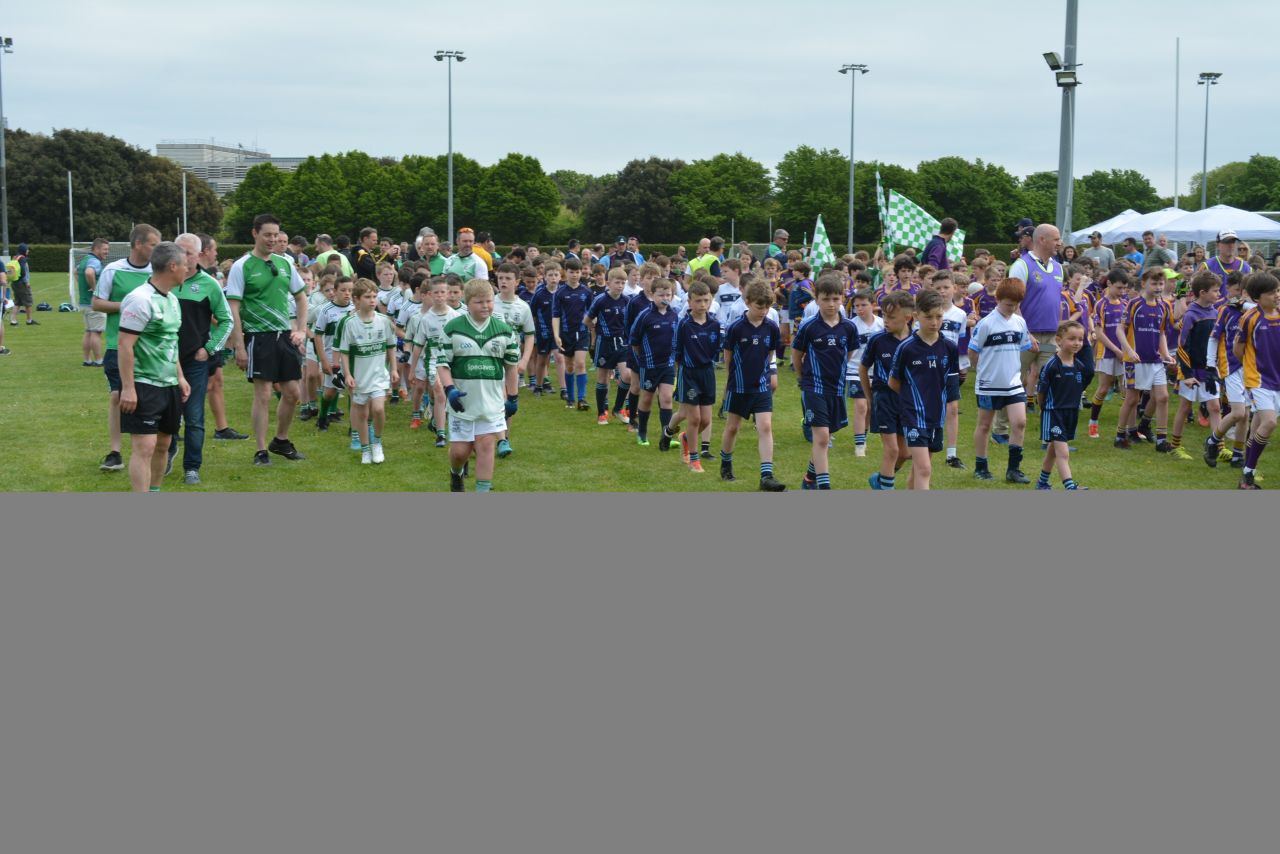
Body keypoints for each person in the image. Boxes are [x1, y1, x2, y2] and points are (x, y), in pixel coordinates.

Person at [225, 213, 310, 466]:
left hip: (283, 335)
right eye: (267, 235)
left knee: (294, 393)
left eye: (276, 235)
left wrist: (302, 329)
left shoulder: (284, 264)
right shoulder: (242, 266)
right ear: (255, 234)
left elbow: (301, 297)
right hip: (257, 337)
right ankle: (261, 450)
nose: (272, 239)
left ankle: (280, 440)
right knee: (262, 394)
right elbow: (233, 307)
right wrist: (239, 345)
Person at [116, 242, 191, 493]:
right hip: (143, 383)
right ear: (172, 266)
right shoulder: (139, 299)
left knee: (163, 444)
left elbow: (170, 342)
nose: (187, 270)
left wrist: (179, 376)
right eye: (185, 265)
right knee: (144, 447)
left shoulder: (172, 300)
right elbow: (125, 345)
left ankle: (155, 491)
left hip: (169, 385)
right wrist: (128, 388)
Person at [436, 279, 521, 493]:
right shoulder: (453, 328)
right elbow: (443, 364)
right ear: (467, 302)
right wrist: (450, 390)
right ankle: (455, 474)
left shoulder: (504, 331)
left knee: (485, 446)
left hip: (491, 404)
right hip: (462, 404)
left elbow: (511, 368)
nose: (485, 306)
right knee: (459, 453)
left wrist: (512, 397)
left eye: (489, 301)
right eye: (479, 302)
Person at [92, 223, 161, 472]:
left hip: (152, 346)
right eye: (153, 244)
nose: (156, 249)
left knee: (151, 395)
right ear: (138, 244)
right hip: (117, 343)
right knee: (117, 396)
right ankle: (115, 452)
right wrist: (129, 306)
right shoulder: (113, 270)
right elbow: (97, 303)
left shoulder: (157, 271)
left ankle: (153, 446)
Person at [172, 234, 233, 486]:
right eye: (179, 251)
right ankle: (165, 453)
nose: (184, 257)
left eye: (188, 252)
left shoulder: (209, 284)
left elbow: (227, 321)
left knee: (194, 416)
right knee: (167, 413)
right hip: (164, 361)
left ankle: (192, 467)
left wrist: (209, 349)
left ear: (198, 255)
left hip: (195, 362)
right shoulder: (162, 281)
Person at [791, 275, 859, 490]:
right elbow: (796, 354)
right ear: (817, 300)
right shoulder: (809, 326)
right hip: (813, 387)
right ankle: (824, 486)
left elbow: (849, 353)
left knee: (828, 434)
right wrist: (803, 378)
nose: (831, 304)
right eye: (826, 299)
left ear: (842, 299)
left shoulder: (848, 327)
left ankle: (809, 478)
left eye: (836, 299)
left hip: (837, 388)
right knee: (820, 438)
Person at [719, 281, 787, 491]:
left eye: (767, 307)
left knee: (765, 426)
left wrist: (765, 376)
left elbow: (769, 355)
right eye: (759, 306)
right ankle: (726, 463)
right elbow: (728, 358)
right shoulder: (736, 328)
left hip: (761, 386)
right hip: (739, 386)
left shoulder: (771, 327)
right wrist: (731, 382)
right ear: (747, 302)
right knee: (732, 427)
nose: (763, 311)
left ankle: (766, 475)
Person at [887, 289, 958, 490]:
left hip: (937, 416)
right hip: (913, 416)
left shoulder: (949, 347)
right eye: (928, 317)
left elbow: (950, 384)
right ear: (916, 317)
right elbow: (894, 382)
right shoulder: (906, 348)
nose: (934, 322)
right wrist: (912, 399)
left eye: (939, 316)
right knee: (924, 469)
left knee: (918, 471)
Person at [969, 278, 1034, 484]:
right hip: (989, 384)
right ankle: (981, 466)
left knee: (1020, 422)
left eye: (1016, 304)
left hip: (1013, 383)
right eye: (1008, 304)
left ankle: (1013, 470)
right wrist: (981, 371)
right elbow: (973, 352)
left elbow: (1023, 349)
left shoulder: (1020, 322)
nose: (1012, 308)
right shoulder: (986, 323)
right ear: (998, 299)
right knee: (985, 425)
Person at [1114, 268, 1175, 451]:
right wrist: (1129, 350)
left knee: (1163, 397)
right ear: (1144, 284)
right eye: (1154, 283)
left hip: (1155, 360)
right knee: (1132, 399)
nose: (1158, 287)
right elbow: (1119, 330)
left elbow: (1162, 333)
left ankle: (1161, 441)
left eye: (1161, 284)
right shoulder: (1134, 304)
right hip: (1135, 361)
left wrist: (1165, 354)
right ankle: (1119, 435)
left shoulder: (1164, 306)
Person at [662, 281, 720, 472]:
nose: (703, 304)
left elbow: (716, 349)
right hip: (689, 373)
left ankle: (685, 438)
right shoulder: (684, 324)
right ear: (690, 302)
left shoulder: (714, 324)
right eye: (698, 301)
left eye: (706, 300)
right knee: (693, 418)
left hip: (707, 373)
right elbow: (677, 351)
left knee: (705, 420)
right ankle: (694, 459)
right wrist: (683, 372)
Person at [339, 279, 397, 465]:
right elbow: (345, 352)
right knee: (362, 414)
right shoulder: (349, 323)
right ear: (356, 299)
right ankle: (365, 449)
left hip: (380, 375)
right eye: (367, 297)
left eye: (374, 296)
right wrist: (347, 374)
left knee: (378, 409)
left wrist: (394, 369)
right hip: (359, 378)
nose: (372, 300)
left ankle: (377, 442)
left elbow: (391, 347)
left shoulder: (384, 321)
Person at [1231, 272, 1280, 489]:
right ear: (1257, 298)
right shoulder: (1250, 318)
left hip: (1277, 379)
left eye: (1278, 290)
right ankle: (1248, 474)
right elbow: (1238, 350)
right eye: (1271, 293)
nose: (1277, 295)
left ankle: (1245, 474)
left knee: (1260, 425)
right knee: (1269, 422)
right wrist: (1253, 368)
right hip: (1258, 379)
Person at [1168, 272, 1223, 460]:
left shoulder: (1215, 312)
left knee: (1215, 407)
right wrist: (1187, 372)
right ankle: (1175, 446)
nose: (1219, 293)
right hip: (1190, 370)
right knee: (1185, 407)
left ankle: (1218, 447)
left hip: (1209, 370)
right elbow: (1182, 346)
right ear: (1202, 292)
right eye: (1215, 291)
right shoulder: (1191, 314)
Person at [1035, 320, 1090, 490]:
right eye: (1072, 338)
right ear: (1059, 340)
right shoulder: (1051, 365)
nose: (1077, 343)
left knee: (1053, 448)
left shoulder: (1079, 366)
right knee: (1062, 452)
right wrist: (1044, 408)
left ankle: (1042, 483)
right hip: (1054, 412)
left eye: (1080, 339)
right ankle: (1070, 486)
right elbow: (1041, 392)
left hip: (1071, 413)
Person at [410, 278, 463, 448]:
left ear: (447, 294)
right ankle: (441, 434)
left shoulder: (455, 316)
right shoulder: (426, 319)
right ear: (430, 295)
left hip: (452, 361)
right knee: (439, 391)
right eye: (436, 293)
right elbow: (418, 346)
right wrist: (412, 370)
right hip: (433, 361)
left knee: (448, 394)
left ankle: (436, 420)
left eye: (443, 292)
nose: (440, 296)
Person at [491, 263, 535, 457]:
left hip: (512, 361)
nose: (503, 282)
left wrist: (524, 360)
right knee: (497, 399)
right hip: (491, 359)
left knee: (510, 403)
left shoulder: (523, 307)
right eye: (500, 278)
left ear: (517, 282)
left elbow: (530, 336)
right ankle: (496, 439)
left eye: (508, 278)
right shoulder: (490, 303)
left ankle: (504, 438)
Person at [629, 279, 678, 447]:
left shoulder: (674, 314)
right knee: (647, 399)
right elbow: (634, 340)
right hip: (649, 366)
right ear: (652, 295)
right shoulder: (645, 315)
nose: (665, 298)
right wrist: (644, 357)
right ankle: (642, 432)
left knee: (666, 398)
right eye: (661, 294)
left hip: (668, 365)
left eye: (668, 294)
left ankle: (667, 435)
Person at [1086, 269, 1133, 437]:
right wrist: (1116, 350)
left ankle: (1127, 427)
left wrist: (1126, 350)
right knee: (1104, 388)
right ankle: (1093, 423)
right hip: (1107, 352)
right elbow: (1099, 333)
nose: (1122, 292)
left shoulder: (1126, 304)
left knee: (1127, 390)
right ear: (1109, 284)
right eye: (1119, 288)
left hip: (1123, 352)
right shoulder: (1101, 305)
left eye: (1125, 288)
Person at [587, 267, 632, 425]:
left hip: (621, 342)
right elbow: (587, 319)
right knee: (603, 377)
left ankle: (618, 408)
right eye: (617, 282)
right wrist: (595, 330)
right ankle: (601, 413)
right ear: (608, 283)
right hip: (604, 342)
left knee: (627, 376)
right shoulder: (600, 299)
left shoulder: (627, 301)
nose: (620, 286)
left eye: (623, 283)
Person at [311, 276, 355, 432]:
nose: (347, 294)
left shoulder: (355, 308)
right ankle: (322, 417)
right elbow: (317, 335)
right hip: (332, 356)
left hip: (351, 356)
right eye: (343, 290)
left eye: (350, 290)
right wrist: (323, 360)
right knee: (330, 392)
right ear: (335, 291)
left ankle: (354, 426)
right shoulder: (326, 310)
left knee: (353, 390)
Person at [846, 288, 884, 457]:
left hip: (876, 372)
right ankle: (859, 445)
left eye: (863, 305)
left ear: (873, 305)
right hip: (855, 369)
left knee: (870, 407)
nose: (859, 309)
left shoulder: (882, 324)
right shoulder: (851, 325)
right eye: (856, 306)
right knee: (861, 406)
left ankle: (864, 435)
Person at [552, 257, 593, 410]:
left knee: (581, 364)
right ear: (565, 273)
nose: (575, 275)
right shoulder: (560, 292)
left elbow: (591, 312)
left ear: (581, 272)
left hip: (582, 333)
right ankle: (570, 397)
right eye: (571, 272)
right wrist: (556, 335)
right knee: (569, 366)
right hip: (566, 334)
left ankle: (581, 399)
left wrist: (591, 322)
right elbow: (555, 315)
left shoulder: (586, 292)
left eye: (577, 272)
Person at [76, 238, 111, 366]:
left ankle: (87, 360)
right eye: (105, 249)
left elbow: (76, 271)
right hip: (93, 304)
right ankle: (98, 360)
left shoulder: (85, 259)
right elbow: (89, 272)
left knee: (89, 331)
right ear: (96, 249)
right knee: (96, 332)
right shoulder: (94, 261)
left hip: (84, 302)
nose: (107, 252)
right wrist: (96, 289)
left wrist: (83, 286)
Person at [1199, 229, 1252, 299]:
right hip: (1214, 308)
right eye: (1226, 242)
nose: (1230, 245)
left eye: (1233, 242)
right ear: (1217, 245)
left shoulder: (1246, 267)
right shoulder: (1207, 266)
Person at [7, 243, 35, 326]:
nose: (28, 251)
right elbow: (23, 272)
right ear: (23, 250)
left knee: (17, 302)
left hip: (15, 282)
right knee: (28, 302)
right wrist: (26, 282)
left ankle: (13, 321)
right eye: (27, 249)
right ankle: (29, 321)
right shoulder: (22, 258)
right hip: (22, 283)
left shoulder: (15, 257)